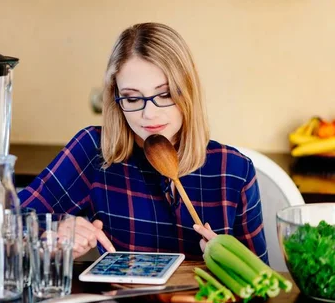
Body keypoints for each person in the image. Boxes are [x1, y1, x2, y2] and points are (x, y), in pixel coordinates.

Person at [18, 22, 268, 263]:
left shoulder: (234, 169)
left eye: (164, 94)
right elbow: (7, 221)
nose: (148, 114)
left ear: (188, 91)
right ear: (116, 97)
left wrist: (232, 262)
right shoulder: (94, 150)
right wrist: (54, 231)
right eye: (132, 98)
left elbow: (262, 285)